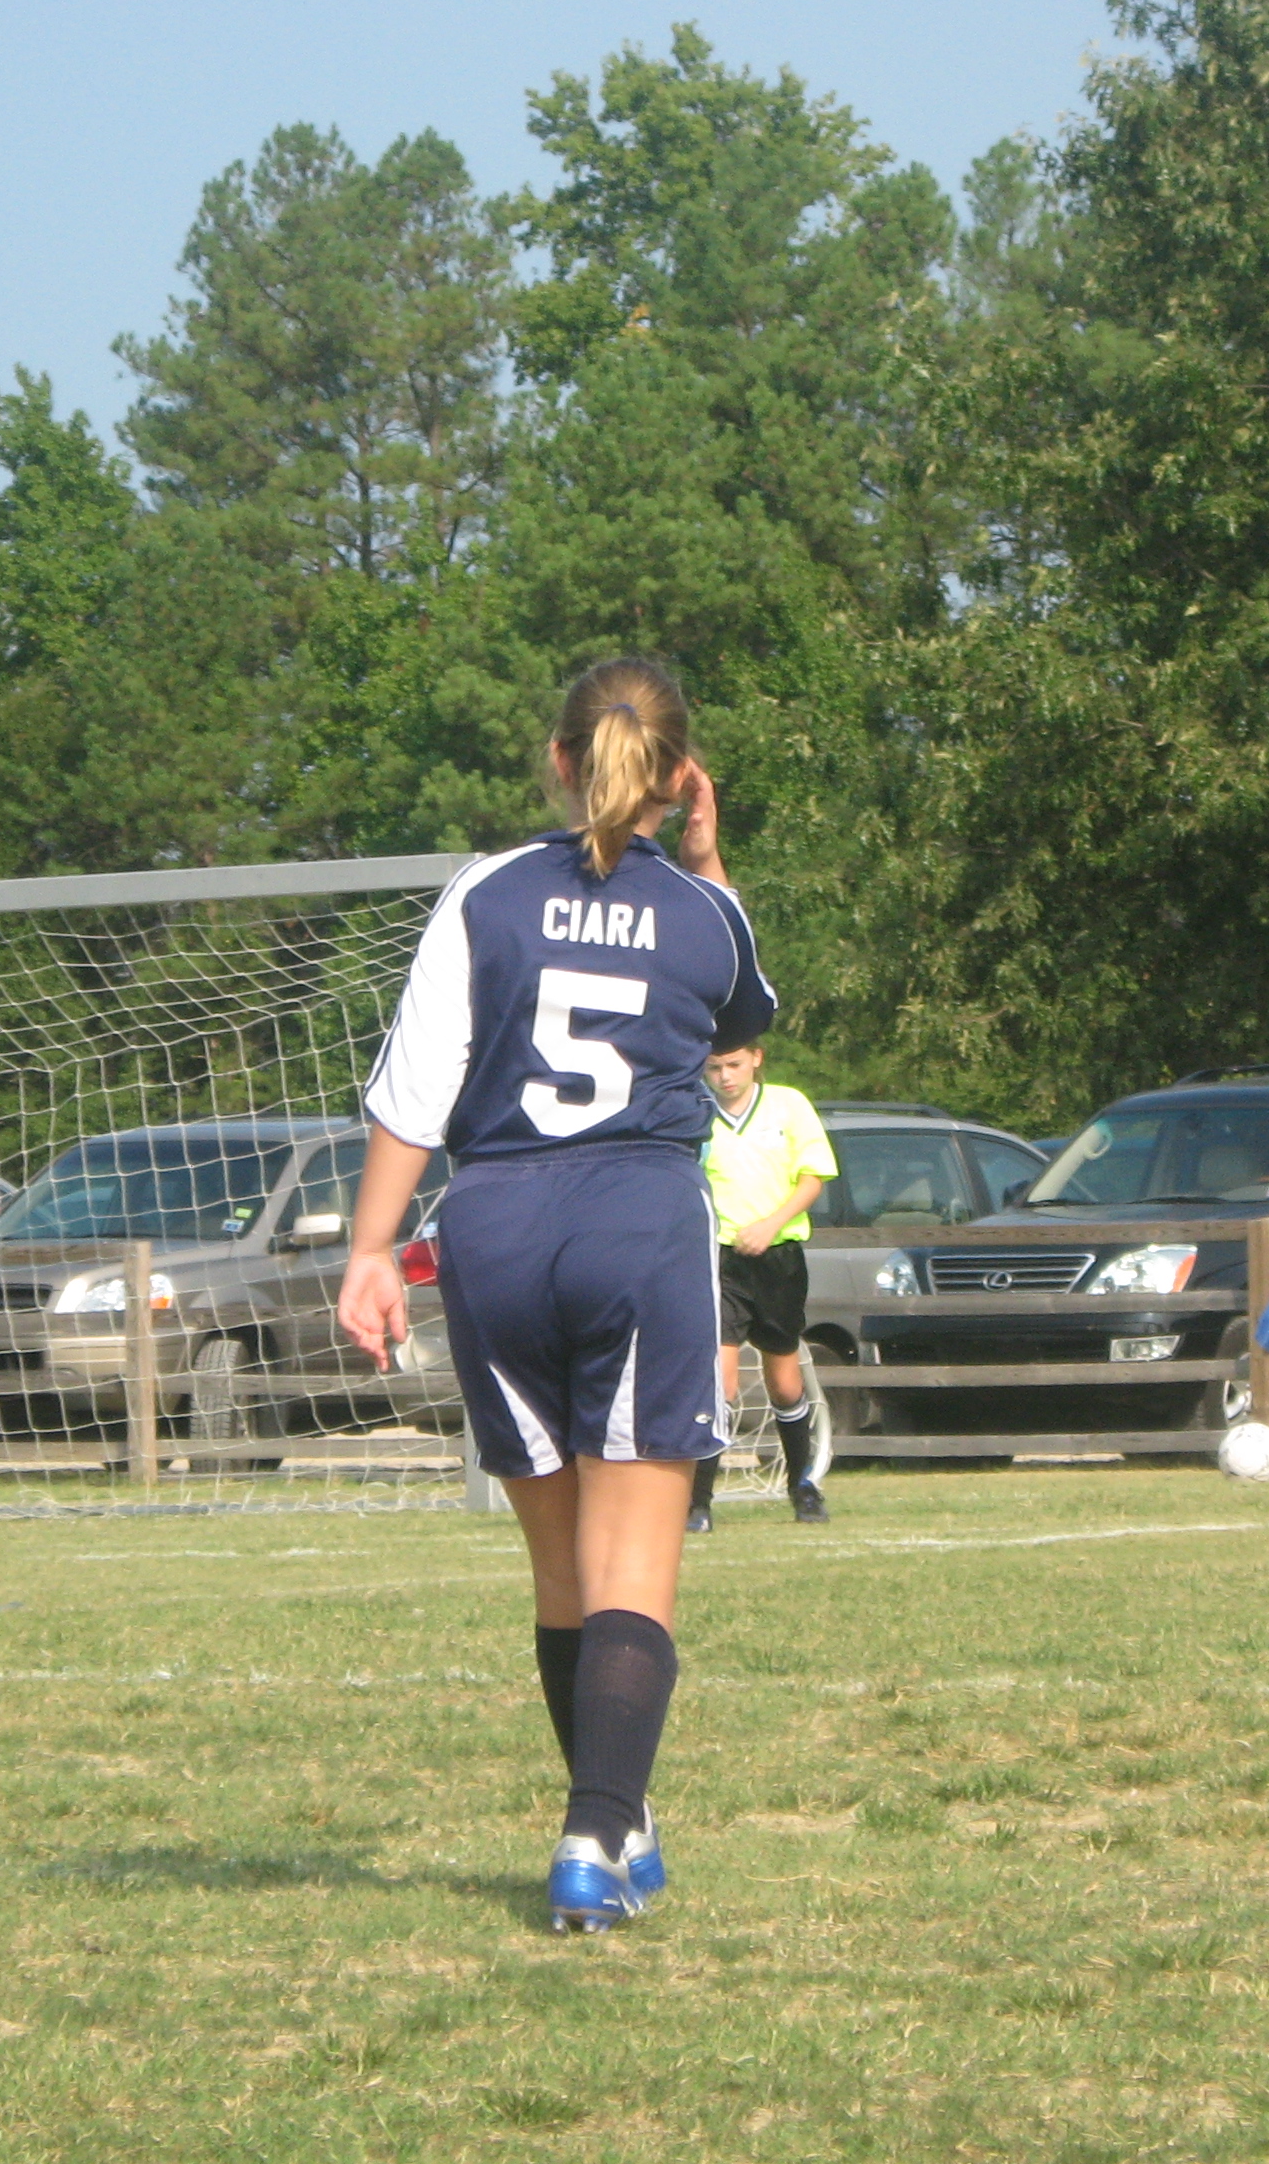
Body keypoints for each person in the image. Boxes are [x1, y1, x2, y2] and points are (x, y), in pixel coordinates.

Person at [336, 656, 775, 1932]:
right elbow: (737, 1017)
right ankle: (594, 1831)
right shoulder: (704, 913)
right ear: (679, 777)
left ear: (559, 760)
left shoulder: (485, 892)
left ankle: (617, 1819)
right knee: (630, 1560)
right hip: (636, 1222)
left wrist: (371, 1251)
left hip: (497, 1228)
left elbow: (418, 1089)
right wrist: (705, 856)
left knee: (559, 1569)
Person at [685, 1041, 839, 1531]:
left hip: (778, 1259)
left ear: (756, 1057)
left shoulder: (788, 1105)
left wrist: (771, 1225)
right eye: (714, 1068)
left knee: (785, 1383)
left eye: (733, 1065)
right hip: (721, 1260)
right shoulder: (696, 1113)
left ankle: (803, 1487)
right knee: (721, 1383)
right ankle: (698, 1504)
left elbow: (813, 1177)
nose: (725, 1077)